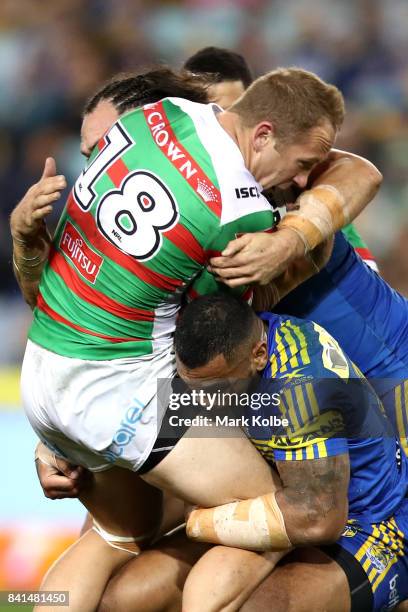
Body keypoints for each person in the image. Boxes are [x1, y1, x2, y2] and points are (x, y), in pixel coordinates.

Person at [174, 293, 408, 612]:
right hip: (282, 499)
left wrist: (199, 521)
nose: (204, 402)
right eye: (191, 386)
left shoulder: (302, 388)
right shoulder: (233, 349)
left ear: (259, 355)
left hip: (371, 522)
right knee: (125, 597)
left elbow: (319, 520)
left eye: (218, 390)